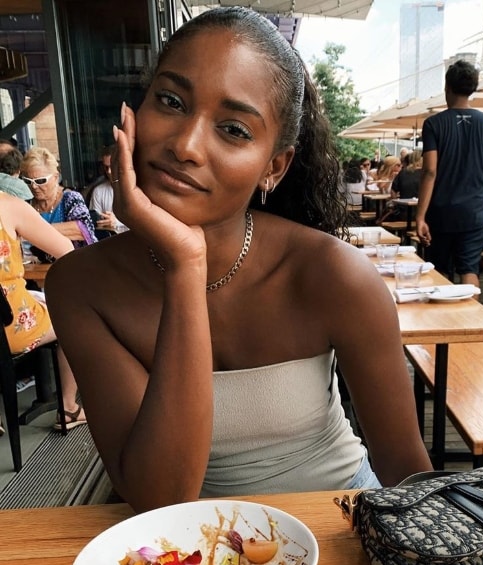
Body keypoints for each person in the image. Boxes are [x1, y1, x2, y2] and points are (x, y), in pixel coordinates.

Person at [45, 6, 433, 513]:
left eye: (233, 130)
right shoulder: (81, 284)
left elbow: (407, 474)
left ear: (274, 167)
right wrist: (186, 265)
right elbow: (158, 497)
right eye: (170, 100)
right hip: (187, 559)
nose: (186, 145)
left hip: (341, 531)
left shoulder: (333, 275)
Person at [0, 191, 86, 430]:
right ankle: (69, 408)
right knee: (73, 319)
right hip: (11, 327)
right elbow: (67, 252)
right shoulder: (8, 206)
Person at [416, 60, 483, 286]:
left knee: (439, 272)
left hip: (440, 213)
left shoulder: (433, 124)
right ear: (473, 88)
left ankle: (443, 320)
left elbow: (430, 172)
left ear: (447, 87)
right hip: (473, 213)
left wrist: (420, 216)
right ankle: (472, 320)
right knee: (469, 270)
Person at [20, 147, 97, 259]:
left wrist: (34, 231)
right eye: (28, 181)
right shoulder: (26, 207)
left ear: (55, 177)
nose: (34, 186)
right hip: (35, 270)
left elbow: (82, 230)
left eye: (40, 181)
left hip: (77, 265)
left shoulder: (70, 198)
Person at [89, 145, 128, 236]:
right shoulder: (98, 191)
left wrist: (116, 223)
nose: (109, 171)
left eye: (112, 166)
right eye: (106, 167)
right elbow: (93, 223)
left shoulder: (136, 189)